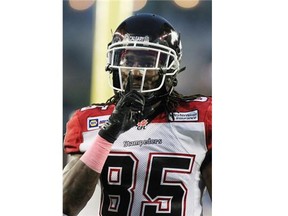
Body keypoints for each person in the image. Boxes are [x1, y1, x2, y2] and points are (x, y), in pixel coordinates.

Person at [63, 13, 212, 216]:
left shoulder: (201, 119)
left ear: (170, 67)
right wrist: (108, 134)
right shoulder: (88, 122)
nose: (135, 71)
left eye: (147, 62)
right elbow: (65, 204)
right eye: (129, 60)